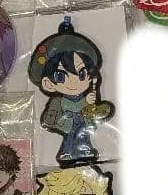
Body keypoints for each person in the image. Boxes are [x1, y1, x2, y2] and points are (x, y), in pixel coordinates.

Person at [30, 18, 114, 166]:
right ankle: (67, 152)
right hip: (68, 124)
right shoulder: (57, 101)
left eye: (81, 74)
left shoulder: (87, 94)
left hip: (82, 123)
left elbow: (91, 111)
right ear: (48, 84)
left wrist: (90, 103)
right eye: (61, 77)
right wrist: (67, 117)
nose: (74, 82)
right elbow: (51, 118)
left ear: (90, 75)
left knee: (83, 135)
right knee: (71, 137)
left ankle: (84, 150)